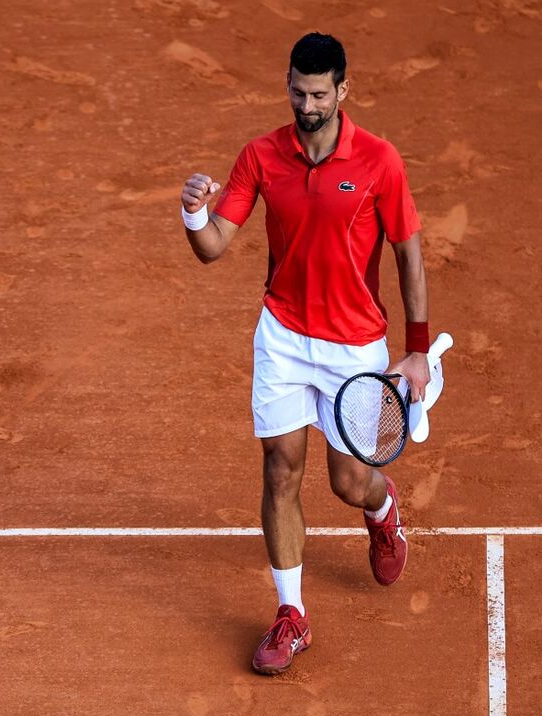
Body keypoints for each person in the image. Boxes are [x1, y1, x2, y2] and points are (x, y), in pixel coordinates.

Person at [180, 32, 431, 675]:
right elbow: (213, 247)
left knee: (346, 480)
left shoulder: (379, 160)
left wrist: (418, 350)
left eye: (319, 93)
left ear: (343, 91)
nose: (307, 104)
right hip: (284, 337)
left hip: (353, 346)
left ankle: (381, 508)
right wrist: (191, 215)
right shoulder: (262, 156)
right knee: (280, 471)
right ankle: (292, 614)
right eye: (298, 91)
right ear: (287, 84)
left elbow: (407, 252)